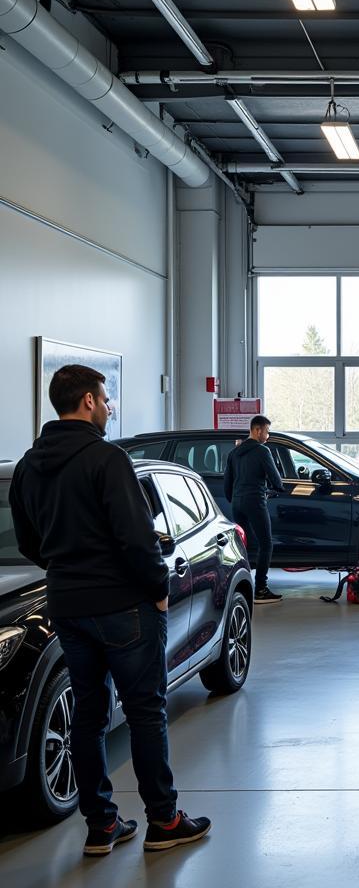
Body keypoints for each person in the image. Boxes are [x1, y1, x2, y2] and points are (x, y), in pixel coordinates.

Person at [10, 365, 211, 856]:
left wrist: (67, 571)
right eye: (105, 399)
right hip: (123, 606)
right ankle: (163, 821)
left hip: (67, 607)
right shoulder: (107, 459)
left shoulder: (28, 466)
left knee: (89, 714)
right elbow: (137, 538)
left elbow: (29, 541)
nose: (109, 407)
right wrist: (157, 588)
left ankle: (100, 825)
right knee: (146, 713)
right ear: (85, 403)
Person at [224, 414, 285, 604]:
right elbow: (277, 481)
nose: (267, 436)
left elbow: (228, 484)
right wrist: (274, 489)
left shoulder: (234, 452)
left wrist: (234, 499)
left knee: (243, 546)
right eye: (267, 431)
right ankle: (260, 589)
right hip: (255, 501)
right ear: (257, 430)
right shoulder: (262, 450)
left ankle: (243, 587)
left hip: (236, 502)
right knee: (266, 543)